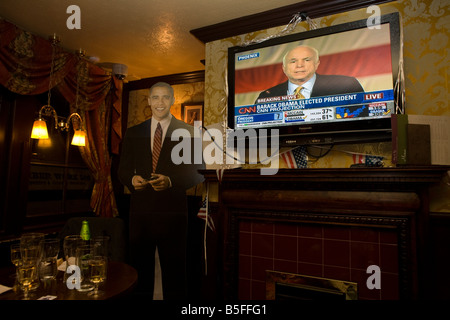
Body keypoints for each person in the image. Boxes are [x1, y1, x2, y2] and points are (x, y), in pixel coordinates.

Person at [118, 82, 204, 299]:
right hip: (140, 214)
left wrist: (171, 181)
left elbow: (198, 172)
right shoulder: (133, 132)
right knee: (139, 271)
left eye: (165, 97)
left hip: (173, 214)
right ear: (148, 101)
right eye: (155, 97)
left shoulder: (188, 132)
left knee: (175, 273)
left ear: (172, 100)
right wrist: (131, 178)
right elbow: (123, 170)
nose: (160, 102)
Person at [255, 45, 364, 103]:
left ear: (317, 64)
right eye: (293, 61)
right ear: (284, 68)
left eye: (306, 60)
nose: (299, 65)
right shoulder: (266, 96)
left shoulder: (346, 85)